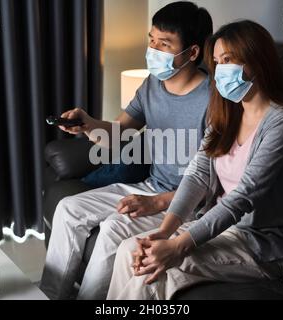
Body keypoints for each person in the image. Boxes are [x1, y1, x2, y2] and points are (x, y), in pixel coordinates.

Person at [107, 20, 283, 300]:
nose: (220, 70)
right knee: (132, 249)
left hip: (262, 243)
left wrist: (179, 246)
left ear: (257, 59)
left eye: (228, 59)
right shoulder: (227, 114)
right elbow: (197, 174)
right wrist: (166, 231)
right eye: (216, 62)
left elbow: (243, 197)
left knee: (155, 270)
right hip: (221, 227)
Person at [40, 1, 213, 300]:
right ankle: (49, 296)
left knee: (111, 229)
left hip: (186, 203)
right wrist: (89, 125)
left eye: (164, 43)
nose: (153, 49)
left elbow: (214, 180)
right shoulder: (152, 85)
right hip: (151, 186)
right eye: (152, 40)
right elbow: (118, 134)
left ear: (193, 52)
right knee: (69, 208)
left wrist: (158, 203)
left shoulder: (213, 100)